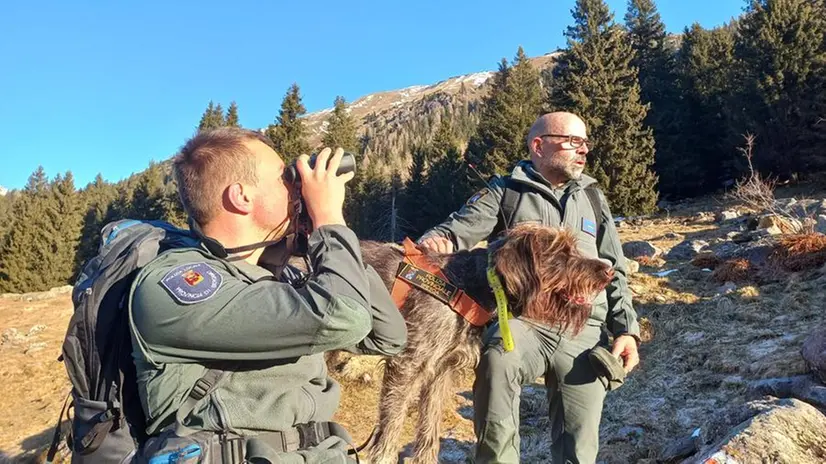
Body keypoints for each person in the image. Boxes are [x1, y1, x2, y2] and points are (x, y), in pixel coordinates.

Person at [127, 127, 407, 463]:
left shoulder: (278, 276)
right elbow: (344, 316)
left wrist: (322, 241)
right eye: (286, 179)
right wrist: (329, 219)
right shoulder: (175, 286)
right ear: (240, 196)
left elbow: (388, 335)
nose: (297, 187)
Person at [418, 112, 641, 464]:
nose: (583, 151)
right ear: (539, 145)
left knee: (580, 448)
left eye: (585, 143)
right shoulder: (505, 191)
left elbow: (616, 268)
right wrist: (436, 241)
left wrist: (627, 330)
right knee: (498, 360)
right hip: (523, 322)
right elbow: (454, 232)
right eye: (573, 142)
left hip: (584, 329)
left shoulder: (593, 197)